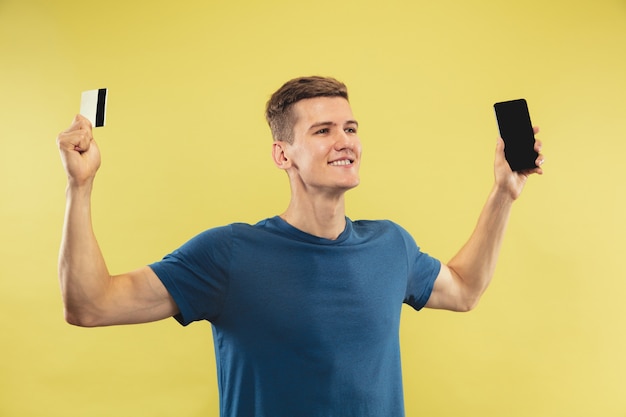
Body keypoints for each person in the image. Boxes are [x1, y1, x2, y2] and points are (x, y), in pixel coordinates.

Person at [56, 76, 544, 417]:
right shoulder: (228, 255)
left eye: (350, 128)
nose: (344, 141)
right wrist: (80, 187)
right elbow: (91, 304)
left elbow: (464, 290)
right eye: (323, 130)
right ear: (282, 153)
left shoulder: (390, 246)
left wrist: (503, 193)